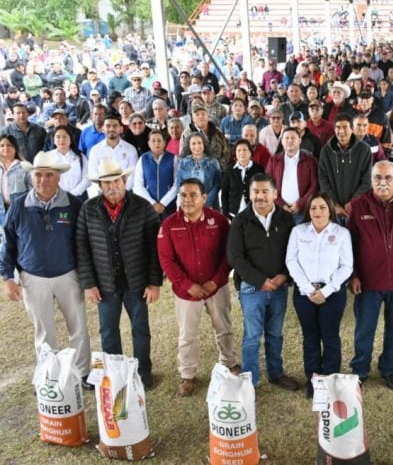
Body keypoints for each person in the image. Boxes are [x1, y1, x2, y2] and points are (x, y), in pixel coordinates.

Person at [1, 152, 93, 389]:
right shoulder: (19, 205)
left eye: (49, 175)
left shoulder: (73, 204)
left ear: (58, 178)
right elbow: (8, 242)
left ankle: (82, 373)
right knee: (44, 332)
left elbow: (83, 242)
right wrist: (7, 277)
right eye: (38, 175)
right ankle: (50, 376)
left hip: (68, 275)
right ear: (32, 177)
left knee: (78, 327)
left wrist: (87, 277)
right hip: (33, 277)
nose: (43, 180)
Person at [76, 158, 162, 389]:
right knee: (108, 332)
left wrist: (154, 283)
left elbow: (155, 248)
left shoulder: (143, 207)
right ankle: (115, 374)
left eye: (116, 181)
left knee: (140, 330)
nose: (112, 186)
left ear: (125, 181)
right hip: (105, 285)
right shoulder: (88, 209)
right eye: (106, 183)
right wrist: (89, 283)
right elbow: (81, 247)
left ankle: (143, 372)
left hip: (137, 282)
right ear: (100, 186)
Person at [157, 178, 239, 396]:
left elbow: (228, 254)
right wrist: (187, 285)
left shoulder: (220, 221)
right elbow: (166, 260)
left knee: (224, 328)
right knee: (187, 335)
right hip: (186, 293)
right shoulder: (169, 224)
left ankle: (230, 364)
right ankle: (187, 375)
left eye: (193, 195)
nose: (188, 199)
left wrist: (216, 280)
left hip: (216, 287)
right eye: (183, 195)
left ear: (204, 197)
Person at [347, 161, 393, 389]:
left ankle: (388, 367)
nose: (383, 182)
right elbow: (349, 244)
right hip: (368, 282)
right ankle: (360, 368)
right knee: (365, 327)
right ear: (371, 180)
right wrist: (354, 274)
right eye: (378, 177)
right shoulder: (359, 205)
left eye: (388, 178)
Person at [228, 173, 300, 389]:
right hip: (252, 288)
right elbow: (235, 257)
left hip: (279, 287)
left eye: (265, 191)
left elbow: (294, 251)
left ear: (275, 194)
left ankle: (276, 373)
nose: (260, 196)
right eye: (256, 192)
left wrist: (284, 275)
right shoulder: (241, 221)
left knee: (275, 333)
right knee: (252, 336)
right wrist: (259, 280)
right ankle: (251, 380)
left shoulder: (286, 219)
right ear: (249, 194)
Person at [285, 191, 352, 396]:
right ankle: (314, 380)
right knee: (310, 337)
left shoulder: (341, 233)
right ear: (308, 211)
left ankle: (330, 381)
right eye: (313, 208)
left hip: (332, 294)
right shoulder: (298, 231)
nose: (317, 211)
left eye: (322, 207)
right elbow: (291, 261)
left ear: (330, 211)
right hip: (304, 293)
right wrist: (307, 289)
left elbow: (346, 266)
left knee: (330, 337)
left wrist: (326, 290)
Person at [317, 114, 372, 221]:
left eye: (345, 127)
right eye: (338, 128)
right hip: (333, 209)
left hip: (357, 207)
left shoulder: (364, 150)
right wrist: (334, 203)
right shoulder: (326, 150)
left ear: (352, 129)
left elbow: (367, 181)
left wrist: (353, 203)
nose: (341, 132)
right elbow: (323, 179)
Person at [87, 113, 138, 197]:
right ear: (102, 129)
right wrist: (106, 191)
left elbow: (132, 175)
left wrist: (121, 192)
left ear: (121, 129)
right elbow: (93, 173)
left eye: (115, 126)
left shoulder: (130, 149)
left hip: (125, 194)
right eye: (108, 126)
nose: (111, 129)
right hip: (102, 194)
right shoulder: (95, 150)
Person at [133, 129, 177, 219]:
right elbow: (137, 186)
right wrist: (152, 203)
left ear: (164, 142)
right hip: (148, 207)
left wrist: (163, 203)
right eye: (153, 141)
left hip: (169, 207)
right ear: (148, 143)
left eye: (159, 140)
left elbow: (177, 184)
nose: (156, 143)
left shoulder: (173, 158)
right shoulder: (143, 159)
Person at [176, 132, 222, 208]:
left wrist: (206, 202)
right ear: (189, 146)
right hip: (188, 204)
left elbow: (217, 184)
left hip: (210, 204)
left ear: (204, 144)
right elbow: (179, 184)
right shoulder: (182, 162)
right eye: (193, 144)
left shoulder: (213, 162)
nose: (197, 146)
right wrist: (189, 200)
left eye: (199, 143)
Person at [221, 139, 264, 219]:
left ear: (250, 152)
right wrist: (225, 213)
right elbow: (224, 193)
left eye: (244, 150)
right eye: (239, 150)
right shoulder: (229, 170)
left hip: (255, 214)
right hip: (234, 214)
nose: (241, 152)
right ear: (235, 153)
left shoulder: (258, 169)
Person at [48, 126, 90, 199]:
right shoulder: (48, 157)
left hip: (79, 197)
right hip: (56, 197)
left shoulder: (80, 156)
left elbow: (87, 178)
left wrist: (73, 194)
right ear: (54, 140)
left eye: (65, 136)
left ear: (70, 139)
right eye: (58, 137)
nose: (61, 140)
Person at [0, 135, 33, 228]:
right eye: (2, 145)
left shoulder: (25, 166)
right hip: (2, 212)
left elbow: (33, 191)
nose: (5, 148)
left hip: (21, 211)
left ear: (15, 148)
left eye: (9, 145)